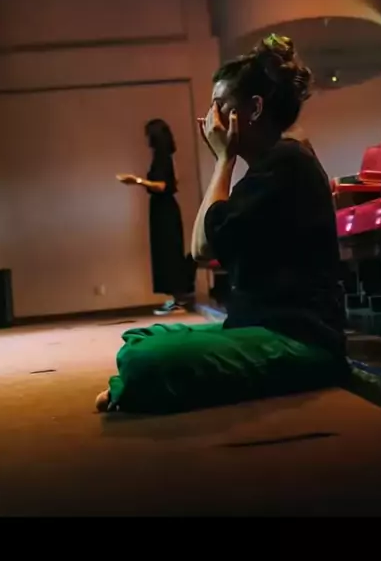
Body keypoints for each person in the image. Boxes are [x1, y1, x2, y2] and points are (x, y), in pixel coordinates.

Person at [97, 36, 346, 415]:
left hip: (298, 341)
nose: (210, 120)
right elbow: (203, 244)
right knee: (144, 335)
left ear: (255, 109)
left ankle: (133, 385)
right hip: (252, 326)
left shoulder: (286, 162)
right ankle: (138, 382)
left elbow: (200, 249)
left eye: (220, 106)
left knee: (143, 359)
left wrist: (223, 159)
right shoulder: (269, 166)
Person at [117, 119, 196, 317]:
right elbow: (175, 180)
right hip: (165, 207)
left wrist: (136, 180)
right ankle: (176, 299)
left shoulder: (162, 157)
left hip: (164, 208)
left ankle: (179, 300)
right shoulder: (167, 156)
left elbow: (161, 185)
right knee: (167, 251)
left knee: (169, 252)